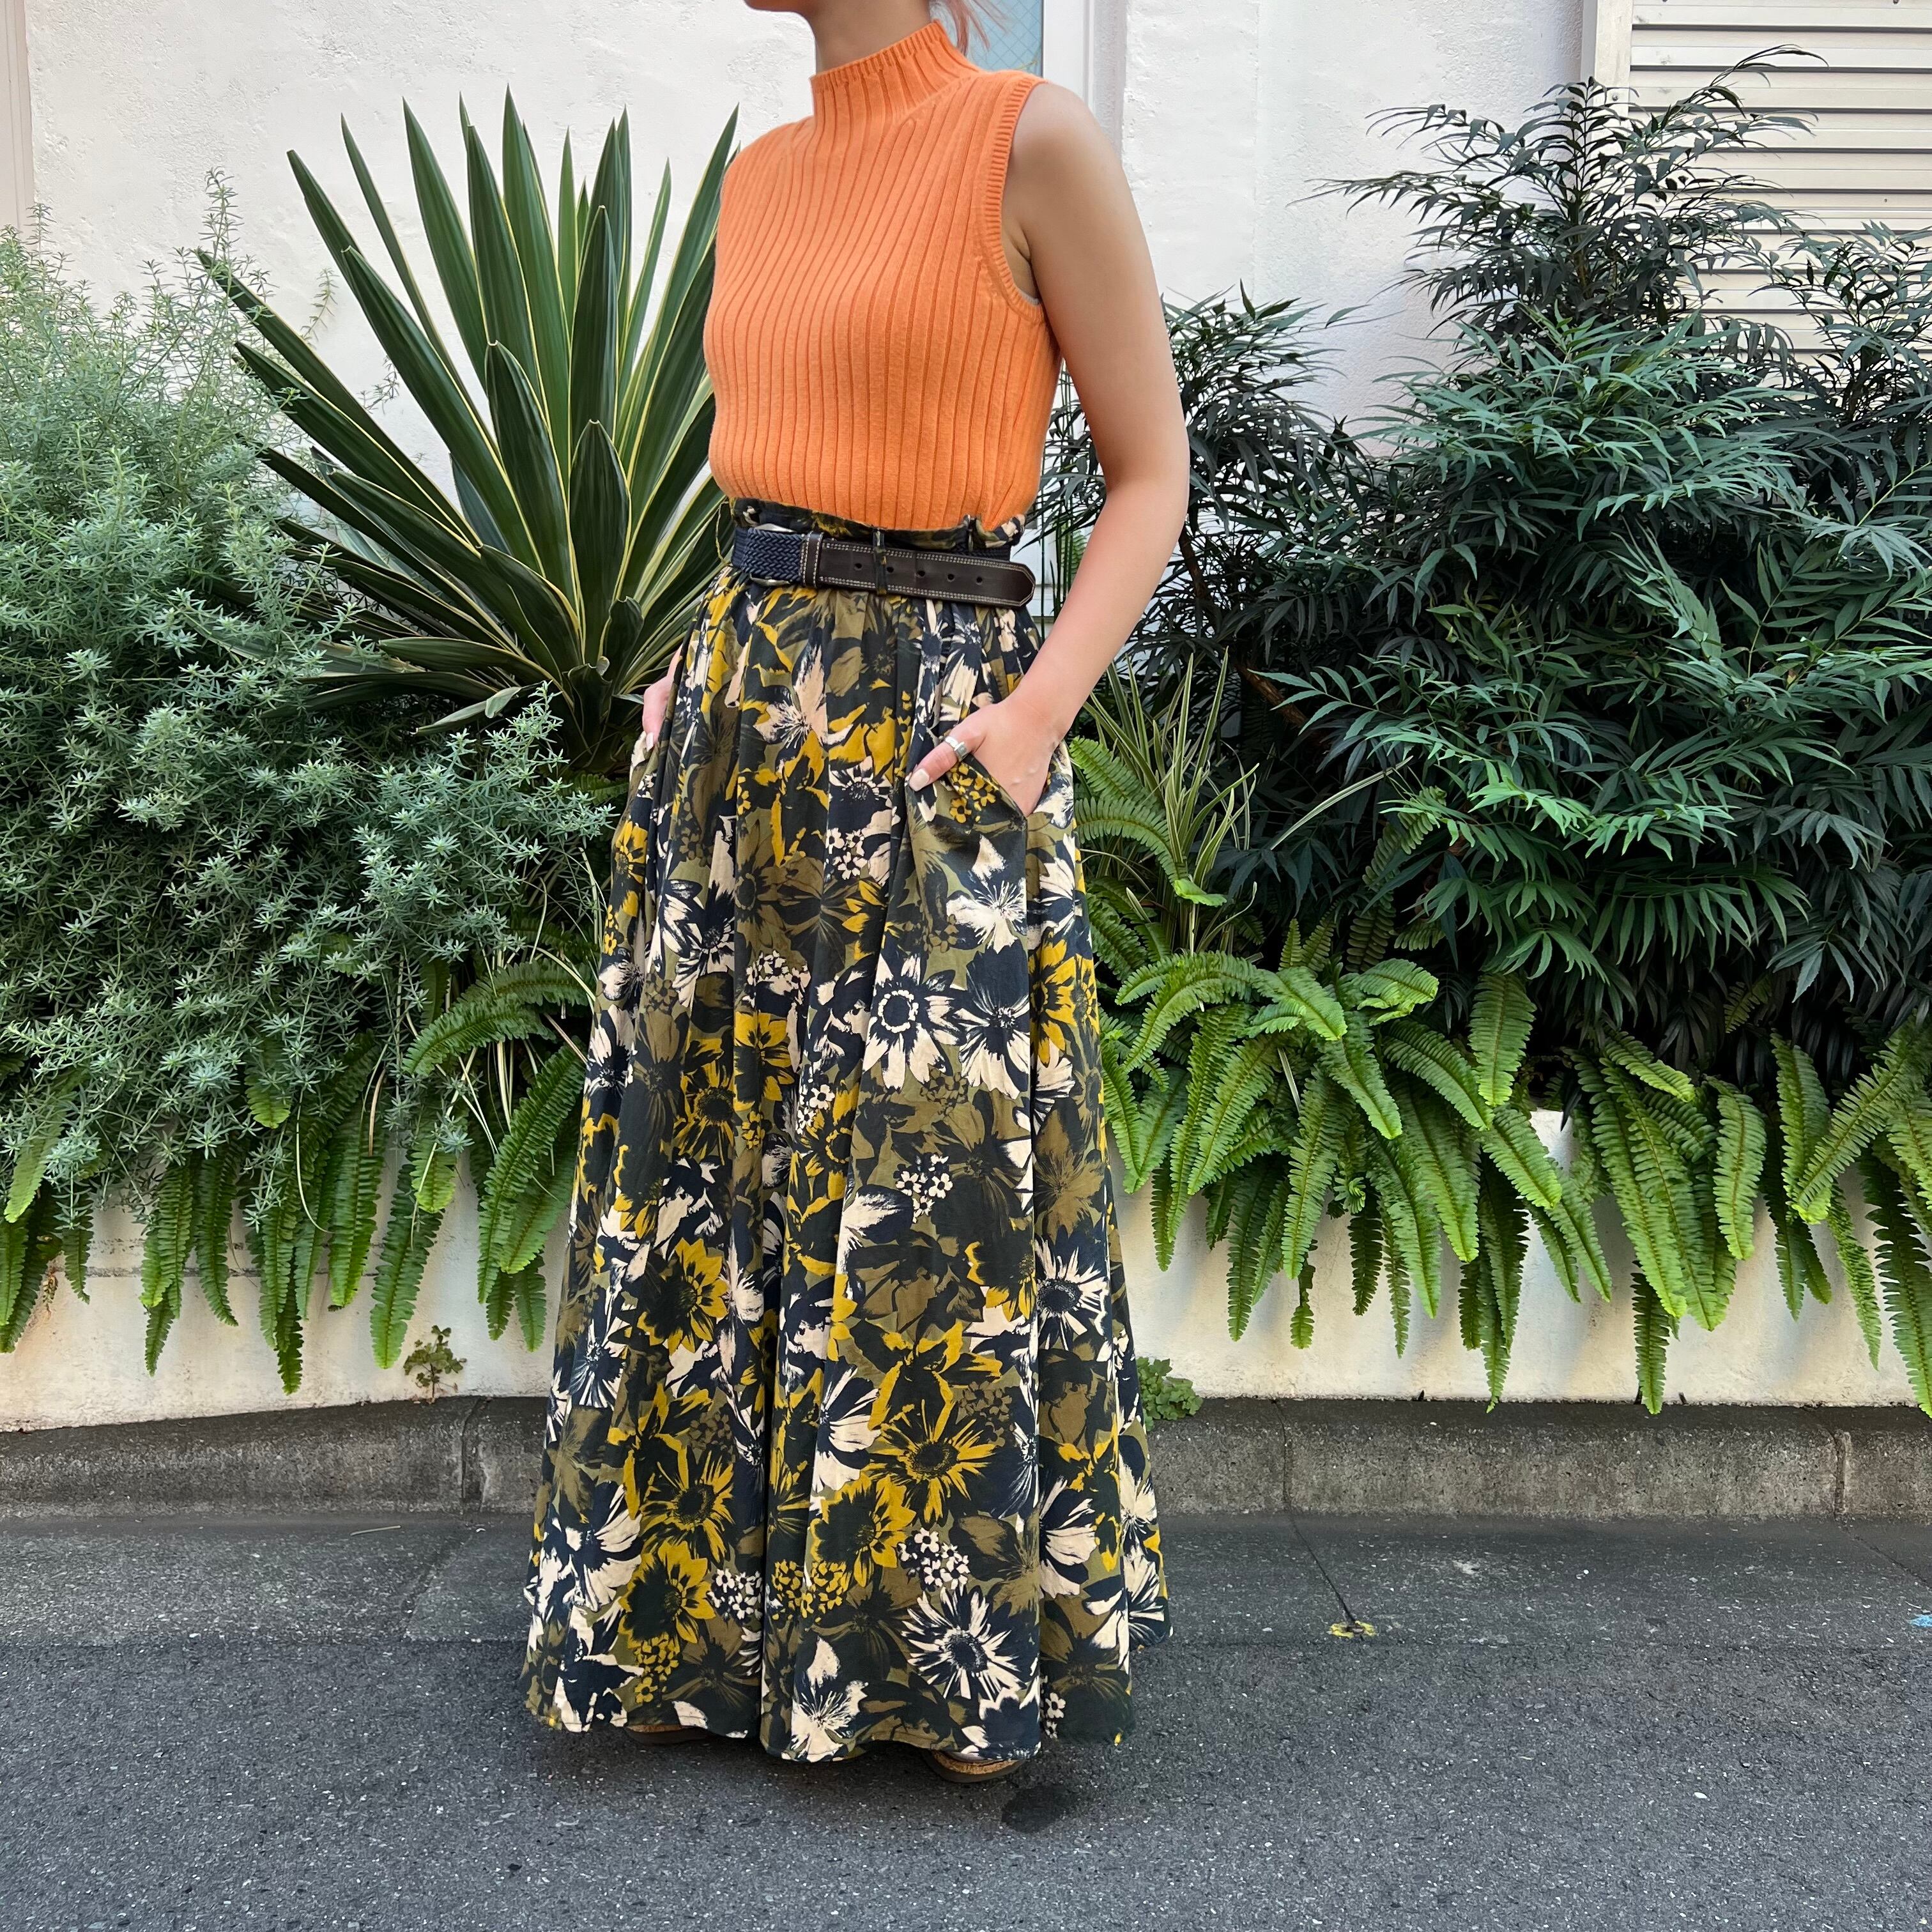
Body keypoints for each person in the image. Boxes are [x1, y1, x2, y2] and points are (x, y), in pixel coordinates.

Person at [521, 0, 1190, 1782]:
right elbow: (770, 482)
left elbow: (1151, 474)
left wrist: (1038, 718)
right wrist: (690, 664)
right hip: (745, 729)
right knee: (712, 1177)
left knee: (930, 1201)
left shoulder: (1030, 138)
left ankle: (940, 1670)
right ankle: (696, 1640)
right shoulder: (764, 177)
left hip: (939, 728)